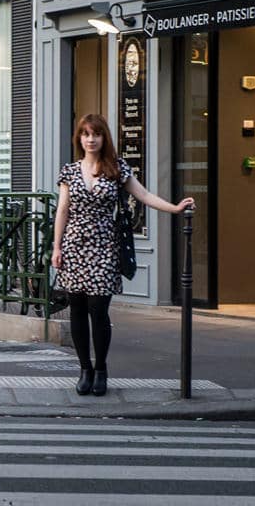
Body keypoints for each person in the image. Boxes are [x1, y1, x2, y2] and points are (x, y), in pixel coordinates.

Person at [51, 113, 192, 397]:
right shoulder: (69, 171)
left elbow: (144, 196)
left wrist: (175, 208)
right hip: (75, 245)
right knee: (76, 310)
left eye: (96, 134)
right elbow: (62, 210)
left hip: (104, 247)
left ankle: (101, 368)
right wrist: (56, 247)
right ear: (79, 138)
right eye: (86, 134)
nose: (91, 139)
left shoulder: (117, 168)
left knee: (98, 310)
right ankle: (84, 370)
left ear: (105, 138)